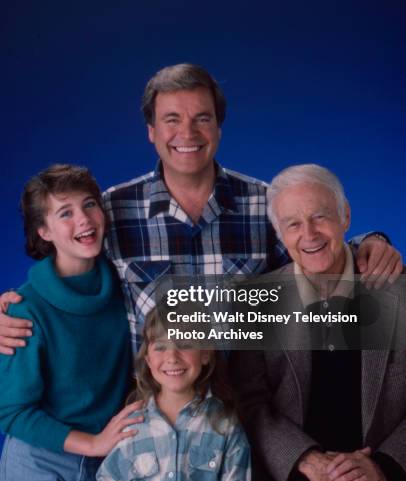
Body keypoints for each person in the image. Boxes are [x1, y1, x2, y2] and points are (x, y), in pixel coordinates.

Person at [0, 64, 402, 358]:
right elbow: (64, 278)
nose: (187, 134)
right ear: (152, 132)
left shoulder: (264, 203)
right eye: (171, 120)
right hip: (154, 425)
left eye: (201, 119)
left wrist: (370, 242)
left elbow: (315, 250)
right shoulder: (112, 211)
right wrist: (15, 307)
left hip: (252, 414)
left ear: (219, 128)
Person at [230, 164, 406, 481]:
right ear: (280, 234)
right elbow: (250, 403)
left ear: (346, 217)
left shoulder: (398, 292)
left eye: (320, 216)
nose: (309, 234)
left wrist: (384, 467)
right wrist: (306, 460)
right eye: (293, 224)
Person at [0, 164, 138, 481]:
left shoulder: (128, 289)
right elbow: (11, 412)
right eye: (66, 212)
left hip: (108, 467)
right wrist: (92, 443)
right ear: (44, 231)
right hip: (37, 468)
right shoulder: (24, 309)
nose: (84, 219)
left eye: (89, 204)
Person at [91, 306, 260, 481]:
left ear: (205, 354)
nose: (172, 357)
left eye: (185, 344)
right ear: (148, 360)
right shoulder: (131, 424)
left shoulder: (224, 423)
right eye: (161, 347)